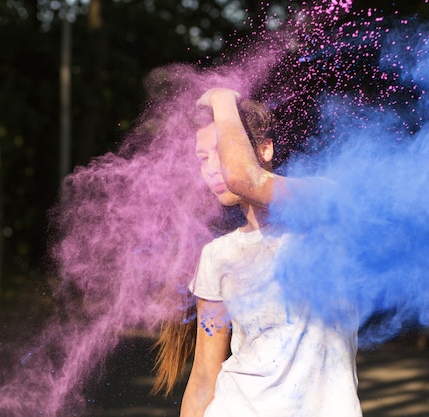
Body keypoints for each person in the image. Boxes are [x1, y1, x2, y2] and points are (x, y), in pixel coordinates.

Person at [153, 87, 362, 417]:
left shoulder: (325, 206)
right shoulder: (217, 255)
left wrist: (221, 98)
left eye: (222, 150)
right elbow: (206, 376)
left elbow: (243, 178)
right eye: (202, 158)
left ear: (264, 150)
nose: (211, 168)